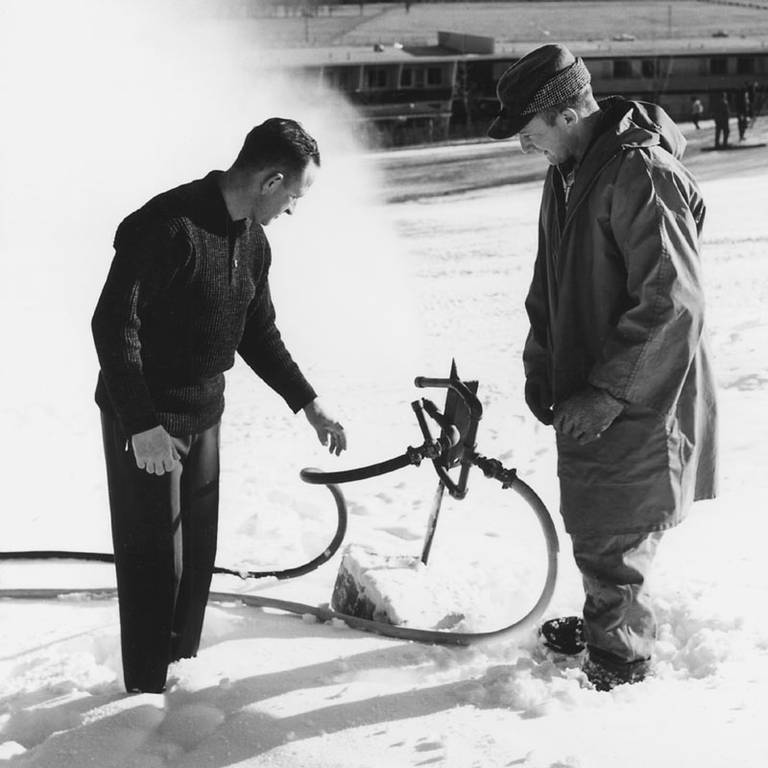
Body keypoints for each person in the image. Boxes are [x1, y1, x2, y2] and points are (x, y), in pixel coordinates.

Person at [487, 44, 718, 691]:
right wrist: (541, 364)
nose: (524, 145)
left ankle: (619, 669)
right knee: (598, 522)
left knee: (615, 536)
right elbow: (548, 284)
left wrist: (610, 392)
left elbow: (674, 303)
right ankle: (608, 627)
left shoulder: (638, 172)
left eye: (527, 130)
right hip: (591, 387)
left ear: (562, 113)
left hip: (639, 395)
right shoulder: (568, 172)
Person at [92, 117, 347, 694]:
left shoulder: (253, 242)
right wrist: (143, 425)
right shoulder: (166, 227)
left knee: (197, 555)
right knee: (154, 562)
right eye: (293, 196)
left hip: (204, 413)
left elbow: (258, 333)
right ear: (270, 180)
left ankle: (178, 672)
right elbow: (113, 325)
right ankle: (143, 694)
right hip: (148, 419)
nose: (292, 209)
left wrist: (308, 402)